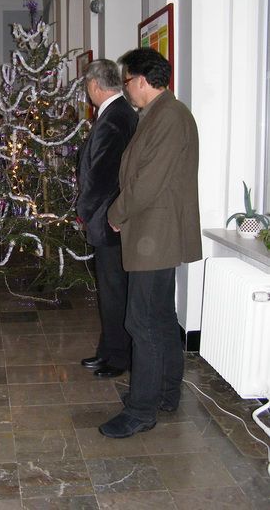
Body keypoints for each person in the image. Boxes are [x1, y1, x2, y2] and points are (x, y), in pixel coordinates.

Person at [99, 47, 202, 439]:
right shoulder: (161, 113)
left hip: (155, 235)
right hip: (154, 234)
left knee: (141, 320)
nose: (126, 88)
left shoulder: (169, 116)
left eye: (127, 81)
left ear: (141, 80)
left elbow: (147, 181)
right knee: (159, 317)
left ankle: (141, 410)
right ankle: (165, 392)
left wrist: (116, 213)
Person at [77, 60, 138, 378]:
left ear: (94, 85)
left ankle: (118, 358)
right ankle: (109, 349)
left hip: (109, 219)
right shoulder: (118, 112)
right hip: (110, 216)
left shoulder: (115, 116)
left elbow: (101, 175)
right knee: (111, 290)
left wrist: (84, 211)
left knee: (114, 291)